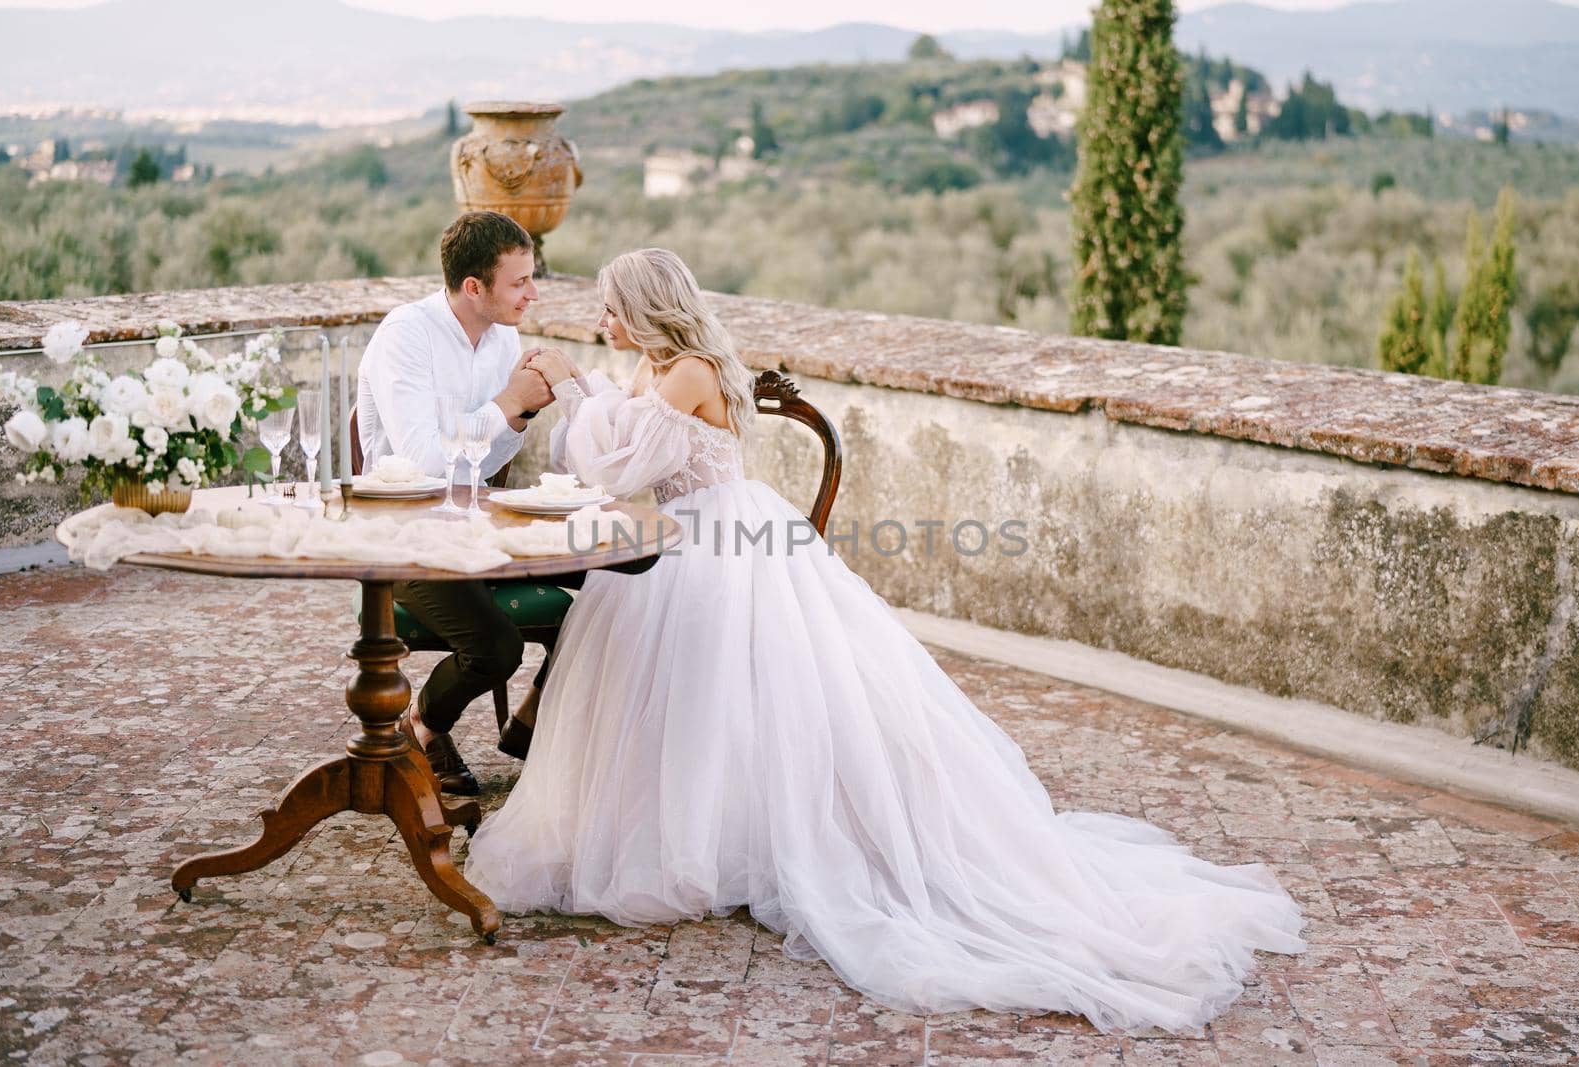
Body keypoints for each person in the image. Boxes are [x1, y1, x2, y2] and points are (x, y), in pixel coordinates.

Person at [464, 248, 1305, 1033]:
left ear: (646, 309)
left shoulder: (685, 370)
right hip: (671, 541)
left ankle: (753, 839)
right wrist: (593, 394)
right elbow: (622, 445)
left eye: (612, 310)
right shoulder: (654, 367)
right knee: (681, 696)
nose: (604, 323)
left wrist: (573, 390)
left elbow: (616, 468)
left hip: (721, 546)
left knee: (738, 689)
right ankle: (687, 828)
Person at [356, 210, 553, 796]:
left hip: (473, 528)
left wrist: (523, 410)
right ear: (475, 287)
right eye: (519, 282)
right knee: (496, 648)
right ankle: (423, 726)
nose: (532, 293)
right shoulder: (405, 335)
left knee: (600, 601)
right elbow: (421, 461)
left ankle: (533, 730)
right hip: (401, 532)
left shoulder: (504, 338)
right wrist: (504, 403)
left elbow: (484, 464)